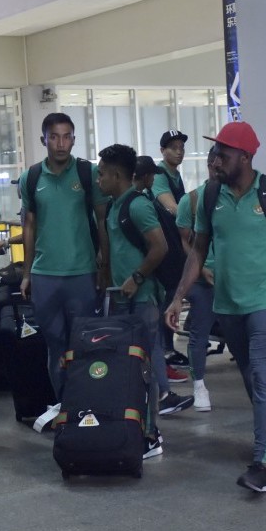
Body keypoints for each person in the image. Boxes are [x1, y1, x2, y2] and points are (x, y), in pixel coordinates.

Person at [165, 121, 266, 494]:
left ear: (244, 157)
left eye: (223, 153)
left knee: (261, 377)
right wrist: (179, 296)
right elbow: (197, 250)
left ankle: (260, 464)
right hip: (228, 304)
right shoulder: (211, 196)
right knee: (250, 376)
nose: (216, 160)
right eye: (215, 153)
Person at [98, 144, 194, 459]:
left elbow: (160, 247)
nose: (99, 180)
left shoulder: (137, 206)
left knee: (144, 368)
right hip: (121, 302)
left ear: (115, 175)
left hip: (142, 302)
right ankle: (134, 427)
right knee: (126, 369)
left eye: (102, 174)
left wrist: (136, 278)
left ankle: (151, 434)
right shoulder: (114, 205)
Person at [19, 112, 109, 401]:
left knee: (84, 344)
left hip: (82, 273)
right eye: (54, 136)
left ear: (74, 139)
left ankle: (87, 407)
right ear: (43, 139)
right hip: (45, 276)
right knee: (55, 346)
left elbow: (102, 220)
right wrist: (26, 273)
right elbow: (29, 226)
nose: (61, 143)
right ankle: (64, 407)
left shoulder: (88, 173)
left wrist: (104, 265)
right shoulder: (31, 177)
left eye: (67, 136)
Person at [174, 147, 218, 412]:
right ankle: (199, 384)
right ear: (209, 164)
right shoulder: (191, 200)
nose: (218, 168)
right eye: (214, 163)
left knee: (248, 332)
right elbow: (184, 242)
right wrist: (201, 270)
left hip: (236, 278)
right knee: (199, 334)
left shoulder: (240, 198)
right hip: (202, 281)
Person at [152, 131, 191, 374]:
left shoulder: (175, 175)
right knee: (166, 298)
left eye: (181, 147)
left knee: (172, 296)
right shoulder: (159, 176)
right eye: (173, 147)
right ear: (162, 151)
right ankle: (163, 349)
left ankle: (167, 346)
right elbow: (172, 207)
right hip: (163, 248)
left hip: (176, 246)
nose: (179, 151)